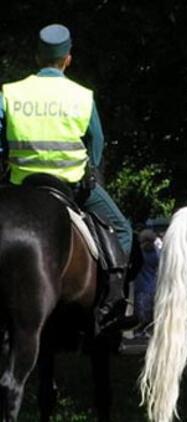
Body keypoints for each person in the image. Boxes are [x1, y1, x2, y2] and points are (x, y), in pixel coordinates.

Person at [0, 24, 134, 331]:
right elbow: (96, 145)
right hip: (72, 187)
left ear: (37, 56)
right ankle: (112, 304)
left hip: (20, 185)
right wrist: (91, 171)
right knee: (123, 229)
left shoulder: (10, 93)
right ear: (67, 59)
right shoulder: (82, 96)